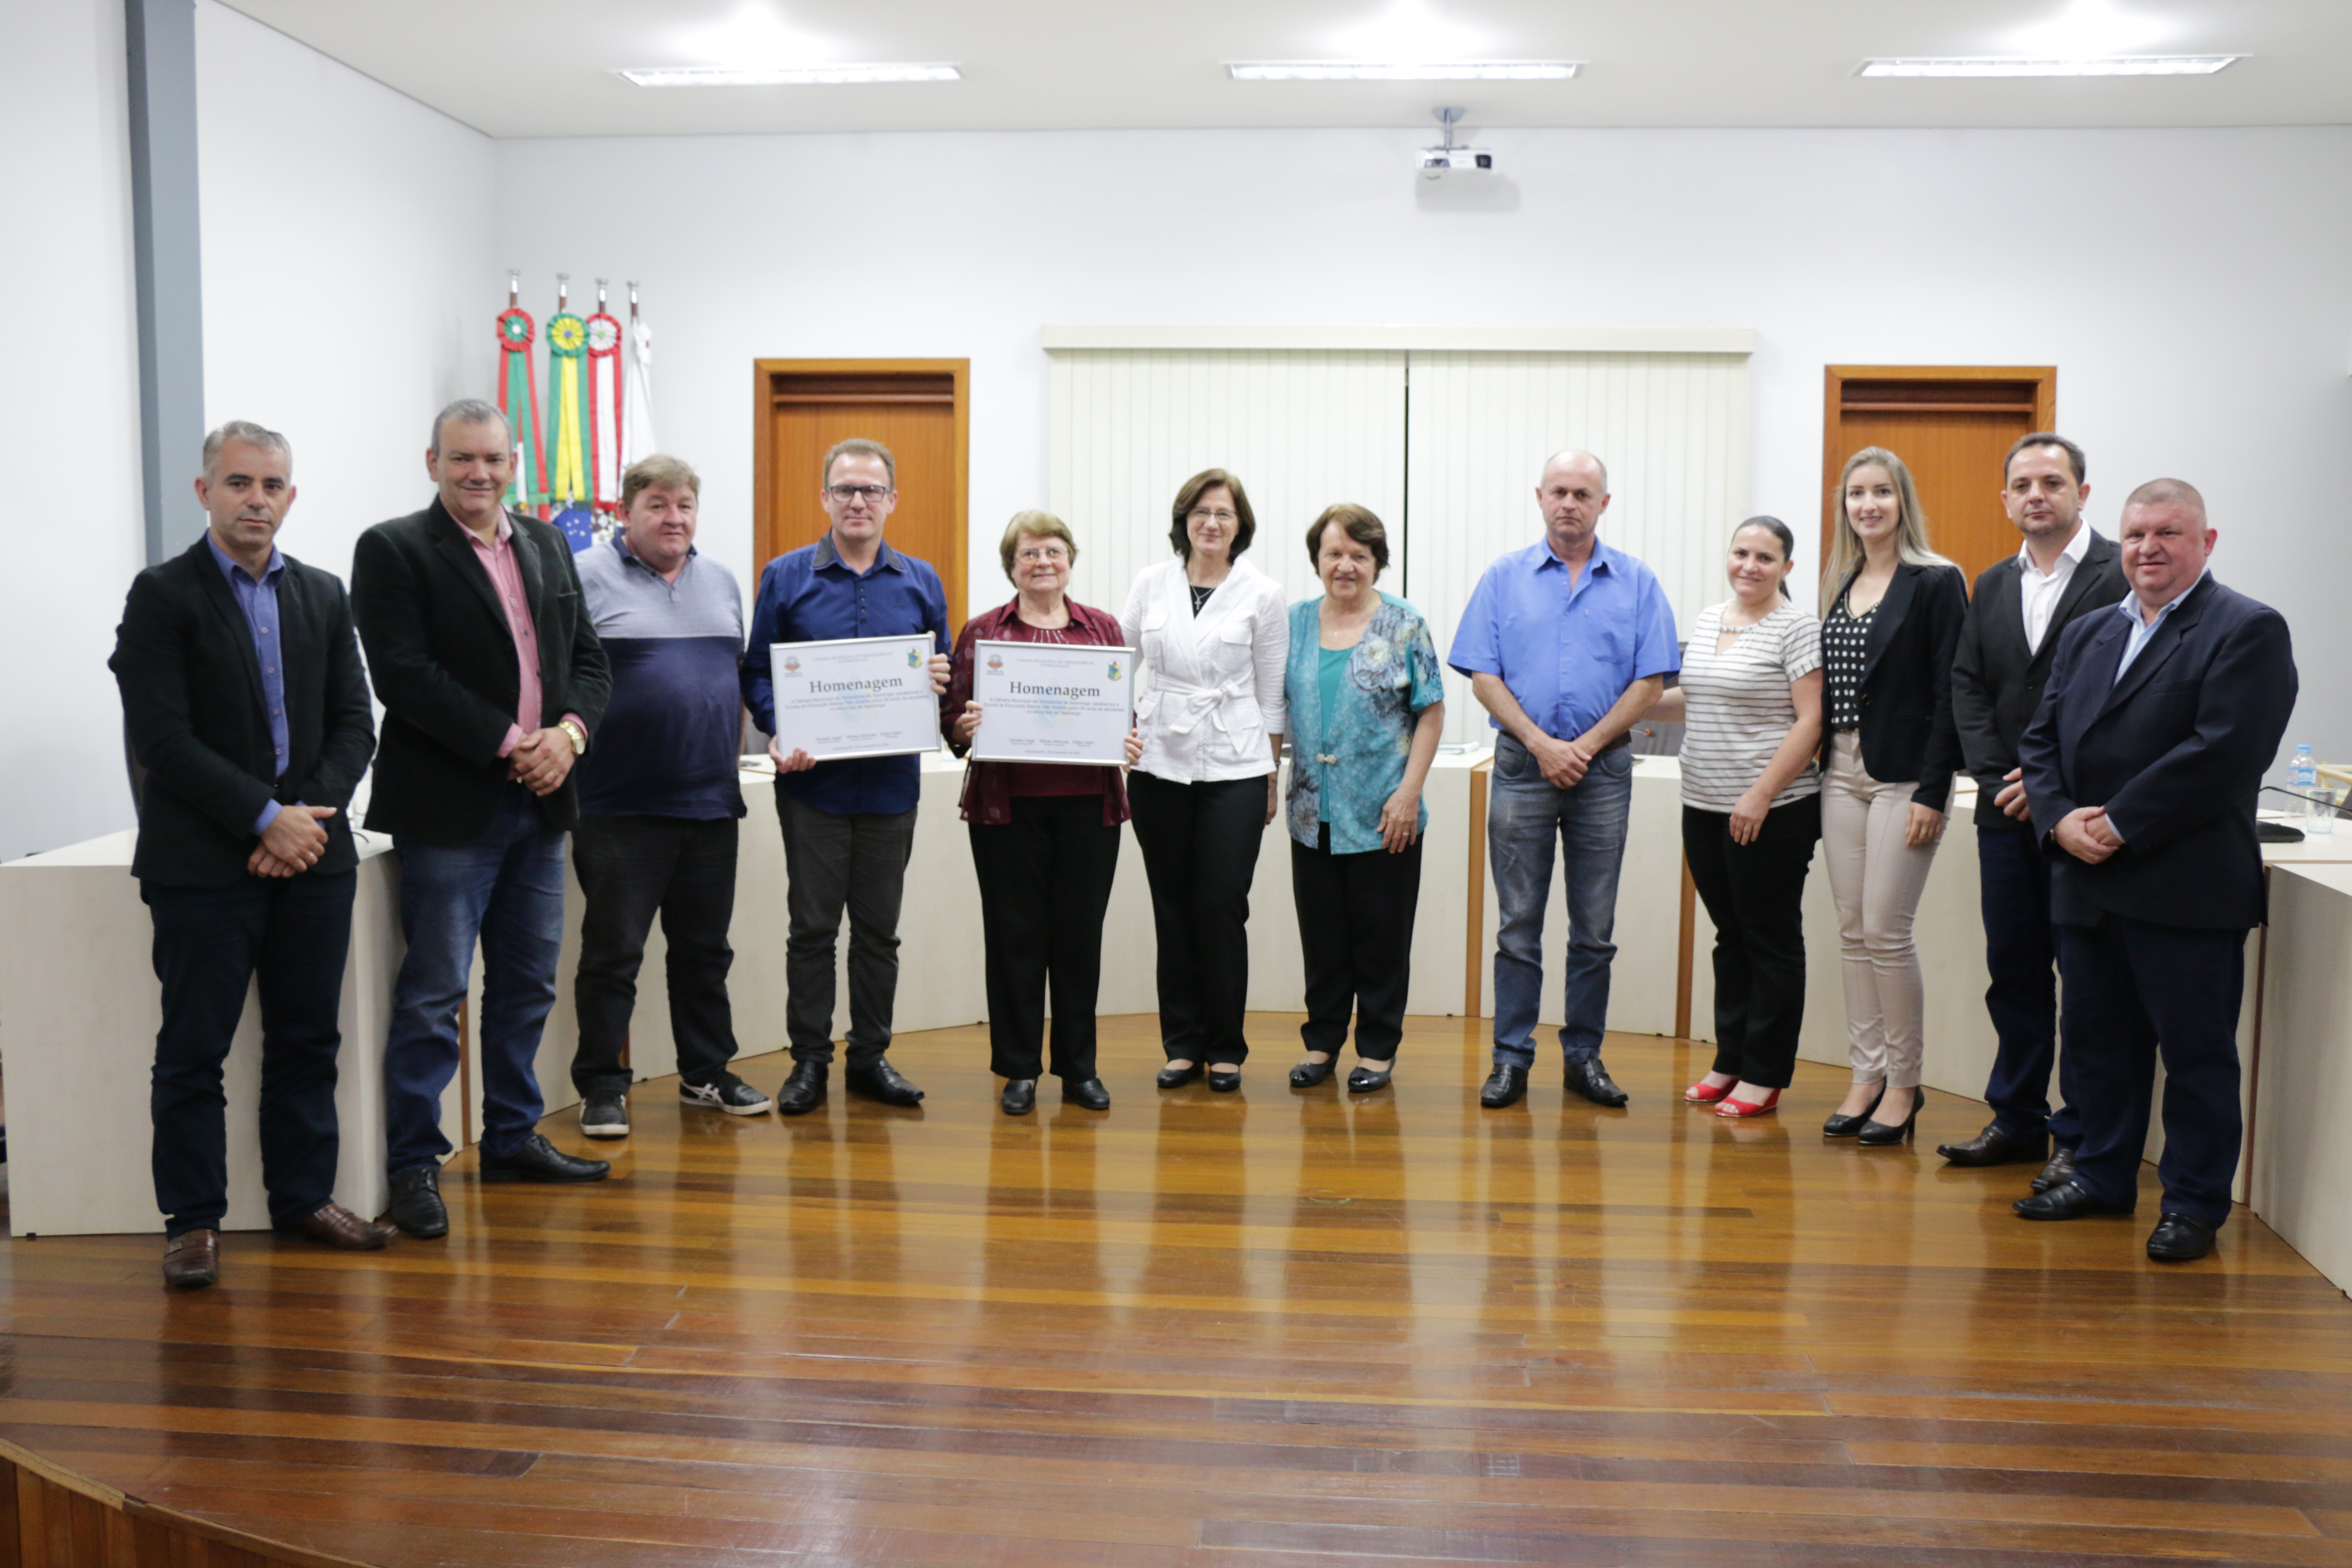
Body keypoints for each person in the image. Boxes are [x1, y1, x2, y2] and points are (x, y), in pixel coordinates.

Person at [111, 420, 392, 1287]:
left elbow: (356, 721)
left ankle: (304, 1197)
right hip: (203, 864)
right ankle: (192, 1222)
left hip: (312, 859)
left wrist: (304, 818)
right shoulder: (163, 596)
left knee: (308, 1040)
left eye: (272, 486)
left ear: (291, 497)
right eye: (238, 483)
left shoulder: (321, 593)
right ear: (205, 492)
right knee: (194, 1049)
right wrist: (263, 817)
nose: (256, 500)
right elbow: (161, 737)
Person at [352, 399, 614, 1240]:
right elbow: (405, 674)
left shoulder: (543, 540)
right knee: (434, 994)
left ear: (516, 462)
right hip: (450, 809)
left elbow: (587, 659)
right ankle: (415, 1164)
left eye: (494, 460)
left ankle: (509, 1136)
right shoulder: (393, 549)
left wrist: (568, 735)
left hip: (542, 804)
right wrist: (513, 743)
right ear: (433, 462)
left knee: (528, 984)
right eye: (463, 459)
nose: (480, 474)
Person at [2014, 480, 2295, 1261]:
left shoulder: (2246, 629)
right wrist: (2060, 817)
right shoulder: (2092, 630)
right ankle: (2101, 1177)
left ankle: (2195, 1205)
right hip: (2088, 879)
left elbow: (2227, 752)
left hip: (2185, 887)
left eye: (2168, 533)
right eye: (2136, 534)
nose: (2147, 548)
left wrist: (2119, 821)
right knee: (2097, 1045)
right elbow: (2040, 742)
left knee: (2197, 1057)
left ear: (2206, 543)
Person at [1449, 450, 1679, 1110]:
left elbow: (1652, 681)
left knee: (1594, 928)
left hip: (1603, 773)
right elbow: (1483, 676)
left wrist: (1583, 746)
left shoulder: (1637, 582)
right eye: (1559, 491)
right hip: (1523, 768)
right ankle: (1511, 1061)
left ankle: (1583, 1059)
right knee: (1518, 925)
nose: (1569, 503)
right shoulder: (1504, 577)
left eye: (1583, 493)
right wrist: (1544, 744)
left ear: (1604, 503)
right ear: (1540, 497)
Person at [1931, 434, 2126, 1186]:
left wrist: (2046, 787)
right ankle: (2017, 1118)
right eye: (2023, 484)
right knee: (2013, 972)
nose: (2037, 494)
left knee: (2086, 979)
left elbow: (2116, 701)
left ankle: (2079, 1134)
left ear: (2082, 493)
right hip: (2004, 816)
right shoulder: (1991, 582)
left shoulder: (2119, 576)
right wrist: (1997, 776)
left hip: (2080, 817)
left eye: (2053, 481)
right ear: (2006, 499)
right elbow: (1967, 688)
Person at [741, 438, 950, 1115]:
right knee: (811, 930)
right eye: (844, 490)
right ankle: (808, 1062)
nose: (857, 502)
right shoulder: (785, 575)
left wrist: (940, 681)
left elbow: (939, 672)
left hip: (891, 787)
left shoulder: (921, 580)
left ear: (892, 499)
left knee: (879, 932)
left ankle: (870, 1058)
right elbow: (756, 672)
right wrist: (783, 728)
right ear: (825, 498)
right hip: (814, 789)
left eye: (871, 490)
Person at [568, 456, 772, 1140]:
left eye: (685, 504)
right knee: (613, 955)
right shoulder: (585, 574)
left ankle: (705, 1071)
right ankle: (602, 1084)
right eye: (657, 504)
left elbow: (736, 677)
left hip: (710, 804)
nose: (674, 517)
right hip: (618, 807)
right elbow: (562, 677)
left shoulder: (721, 581)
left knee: (704, 952)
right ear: (627, 511)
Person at [943, 511, 1142, 1115]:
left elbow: (1121, 713)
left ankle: (1079, 1069)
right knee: (1015, 939)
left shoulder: (1103, 629)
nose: (1042, 563)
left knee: (1079, 941)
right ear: (1012, 566)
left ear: (1070, 560)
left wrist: (1128, 741)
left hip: (1089, 809)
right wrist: (963, 725)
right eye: (1029, 553)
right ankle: (1020, 1069)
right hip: (1007, 811)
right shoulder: (983, 632)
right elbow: (952, 721)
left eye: (1053, 551)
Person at [1645, 517, 1823, 1118]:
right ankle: (1731, 1060)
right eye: (1741, 553)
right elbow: (1691, 698)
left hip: (1771, 811)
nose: (1750, 566)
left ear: (1787, 568)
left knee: (1770, 940)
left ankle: (1766, 1074)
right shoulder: (1708, 617)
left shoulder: (1798, 627)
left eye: (1765, 558)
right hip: (1702, 803)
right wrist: (1628, 713)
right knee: (1731, 938)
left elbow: (1811, 721)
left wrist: (1760, 794)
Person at [1815, 447, 1966, 1147]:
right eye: (1856, 494)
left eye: (1881, 492)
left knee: (1885, 928)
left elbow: (1951, 692)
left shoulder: (1936, 582)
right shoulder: (1841, 579)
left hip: (1906, 775)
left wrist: (1936, 790)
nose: (1868, 505)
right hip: (1840, 767)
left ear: (1902, 500)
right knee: (1850, 929)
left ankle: (1905, 1084)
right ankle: (1865, 1073)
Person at [1121, 468, 1290, 1092]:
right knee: (1172, 908)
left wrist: (1271, 777)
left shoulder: (1263, 593)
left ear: (1240, 524)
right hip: (1158, 761)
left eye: (1223, 513)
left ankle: (1226, 1047)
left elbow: (1272, 696)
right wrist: (1116, 732)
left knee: (1220, 905)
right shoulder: (1151, 583)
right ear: (1183, 520)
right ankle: (1183, 1044)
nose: (1211, 523)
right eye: (1200, 512)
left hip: (1236, 765)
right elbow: (1119, 667)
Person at [1281, 505, 1444, 1093]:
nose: (1345, 565)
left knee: (1381, 938)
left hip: (1384, 810)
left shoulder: (1405, 623)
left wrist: (1409, 794)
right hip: (1310, 809)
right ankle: (1323, 1043)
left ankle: (1376, 1049)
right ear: (1317, 560)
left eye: (1359, 554)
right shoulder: (1295, 622)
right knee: (1323, 938)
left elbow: (1431, 712)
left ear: (1377, 561)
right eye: (1334, 554)